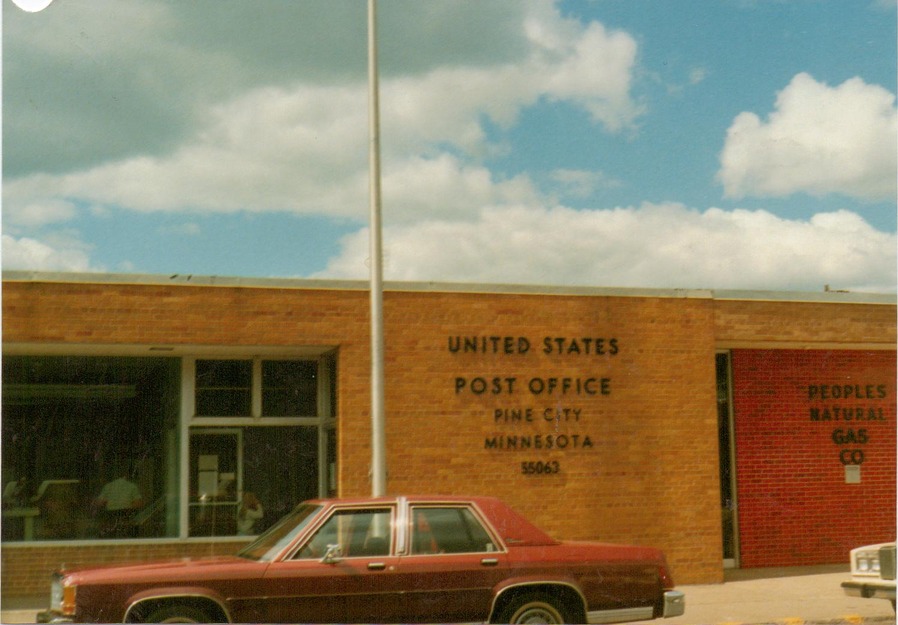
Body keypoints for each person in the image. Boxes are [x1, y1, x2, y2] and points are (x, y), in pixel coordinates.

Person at [96, 470, 143, 538]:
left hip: (110, 519)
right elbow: (138, 503)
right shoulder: (132, 486)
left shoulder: (108, 486)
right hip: (126, 517)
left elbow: (100, 503)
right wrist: (128, 509)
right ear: (126, 476)